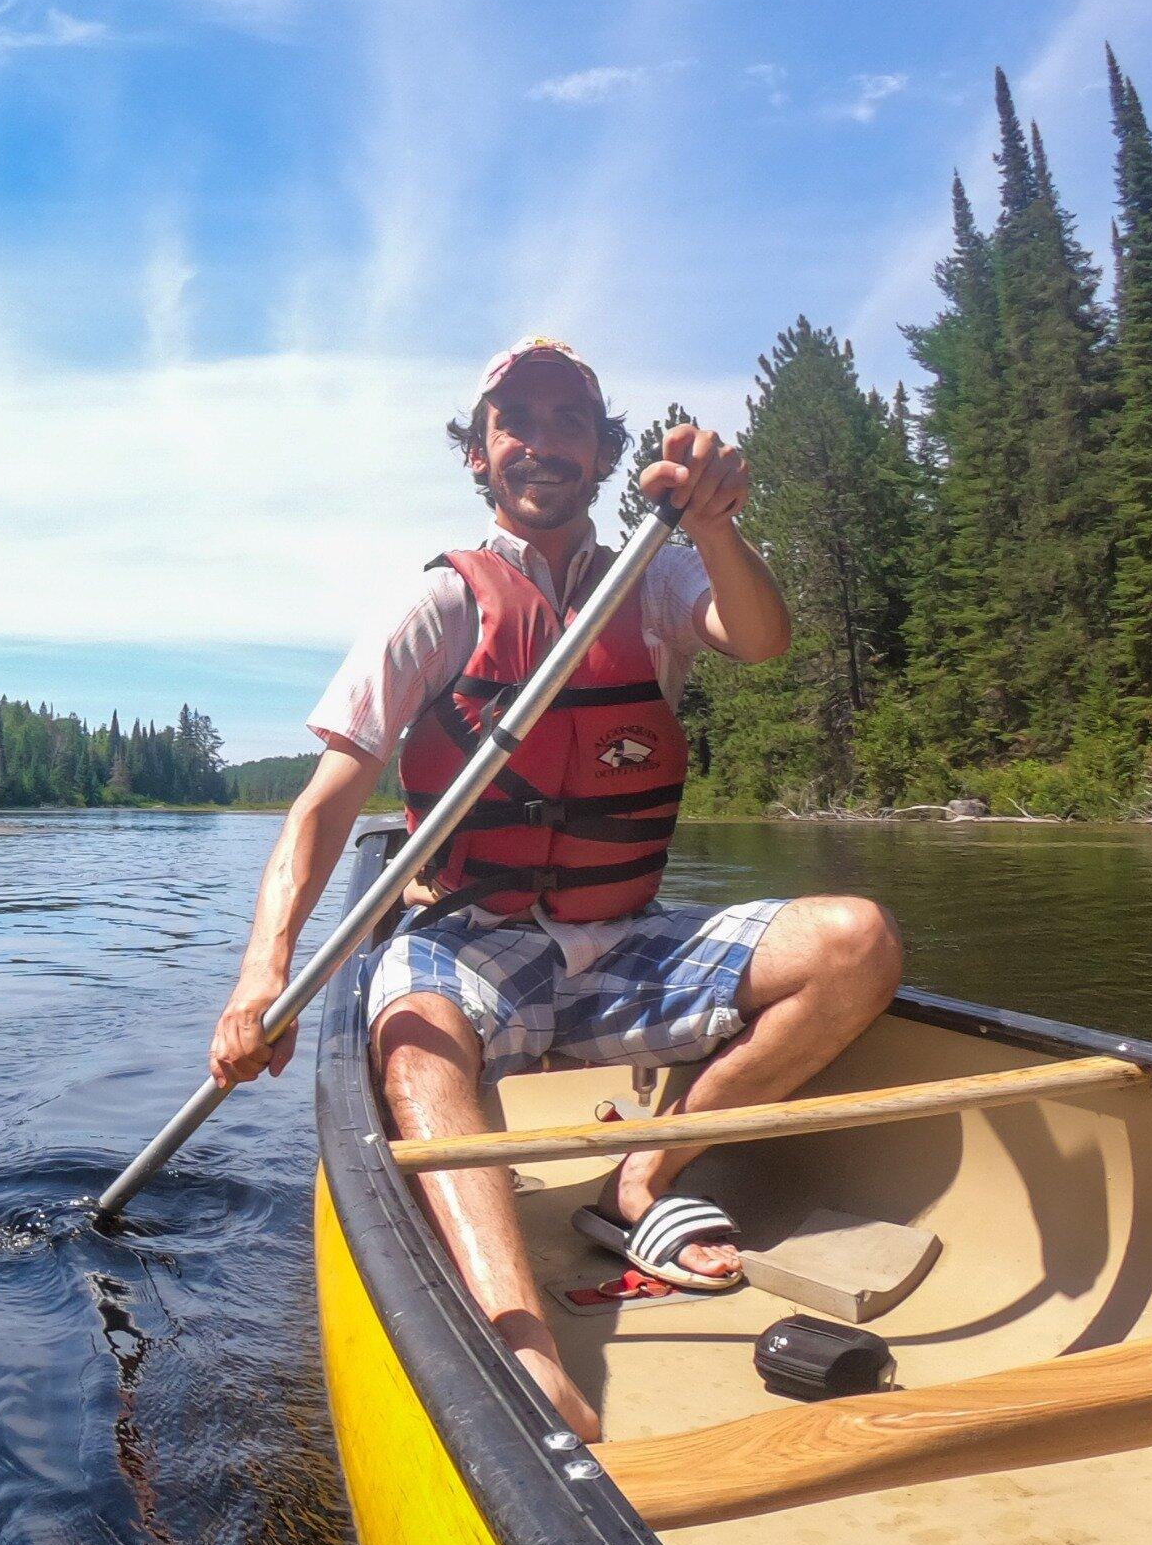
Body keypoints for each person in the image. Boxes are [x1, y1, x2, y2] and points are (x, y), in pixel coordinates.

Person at [205, 337, 902, 1442]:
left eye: (570, 419)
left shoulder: (659, 573)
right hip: (474, 942)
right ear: (481, 458)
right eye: (515, 422)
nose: (543, 441)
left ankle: (642, 1176)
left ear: (603, 450)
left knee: (856, 941)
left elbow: (762, 640)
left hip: (622, 941)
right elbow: (326, 805)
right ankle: (523, 1346)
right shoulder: (438, 604)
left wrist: (715, 522)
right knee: (416, 1033)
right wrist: (262, 974)